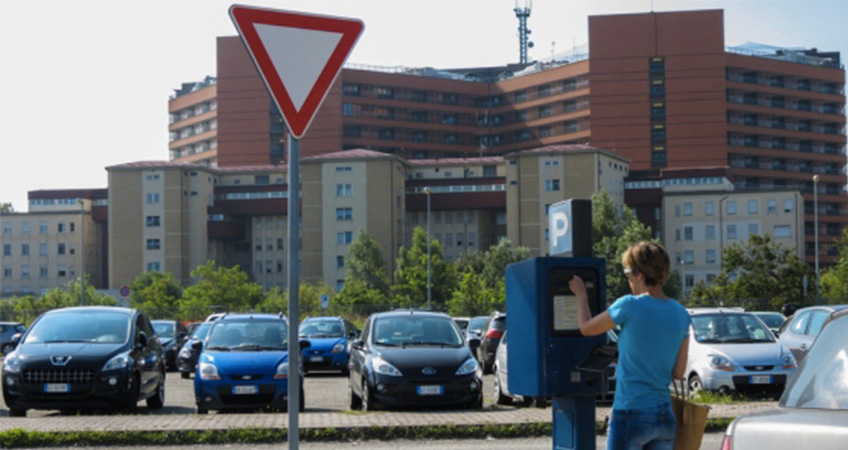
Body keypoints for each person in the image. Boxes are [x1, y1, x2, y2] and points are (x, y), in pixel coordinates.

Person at [569, 241, 691, 450]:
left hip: (631, 412)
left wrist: (581, 295)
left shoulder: (629, 305)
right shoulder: (681, 313)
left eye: (627, 275)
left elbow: (586, 328)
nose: (628, 282)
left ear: (639, 275)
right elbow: (678, 373)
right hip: (664, 415)